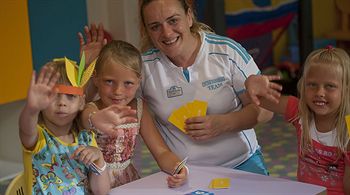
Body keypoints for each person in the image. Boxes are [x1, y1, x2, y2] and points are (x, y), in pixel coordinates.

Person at [78, 0, 273, 175]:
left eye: (173, 21)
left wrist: (224, 123)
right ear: (146, 30)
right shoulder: (144, 67)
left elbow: (265, 112)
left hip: (243, 164)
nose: (167, 33)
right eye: (155, 26)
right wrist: (88, 70)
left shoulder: (227, 52)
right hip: (185, 171)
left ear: (189, 17)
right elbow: (96, 105)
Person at [80, 40, 188, 188]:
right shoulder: (92, 108)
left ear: (138, 82)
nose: (118, 91)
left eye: (128, 83)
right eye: (109, 81)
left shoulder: (139, 108)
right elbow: (86, 118)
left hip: (129, 182)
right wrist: (95, 119)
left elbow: (161, 152)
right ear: (96, 79)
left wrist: (179, 168)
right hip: (96, 182)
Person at [244, 46, 350, 195]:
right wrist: (251, 85)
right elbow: (257, 100)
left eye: (330, 86)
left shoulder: (347, 129)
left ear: (346, 90)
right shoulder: (300, 112)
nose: (319, 93)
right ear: (303, 85)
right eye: (312, 85)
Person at [18, 60, 113, 194]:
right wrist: (31, 109)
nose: (62, 103)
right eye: (54, 95)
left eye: (70, 96)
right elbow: (25, 129)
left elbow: (101, 191)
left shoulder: (86, 138)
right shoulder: (38, 138)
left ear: (81, 102)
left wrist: (99, 159)